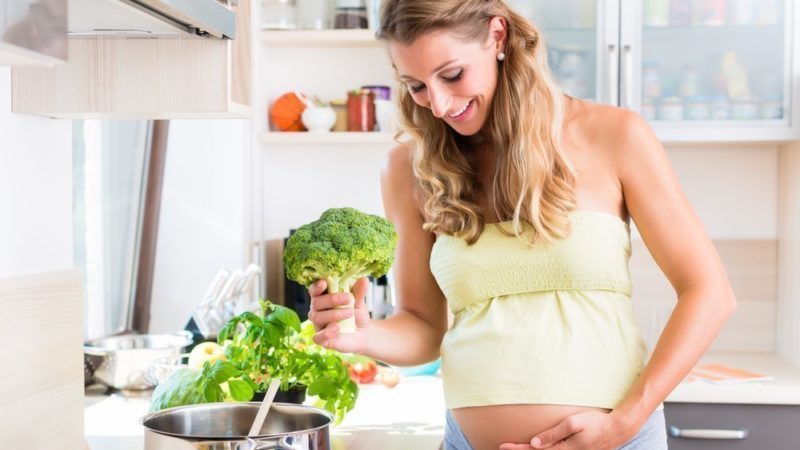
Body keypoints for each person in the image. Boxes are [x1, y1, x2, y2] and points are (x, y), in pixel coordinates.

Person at [306, 1, 737, 449]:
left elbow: (709, 293)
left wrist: (624, 423)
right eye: (415, 85)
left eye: (452, 75)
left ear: (498, 36)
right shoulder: (408, 168)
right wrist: (364, 333)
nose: (438, 103)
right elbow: (422, 327)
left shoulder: (615, 135)